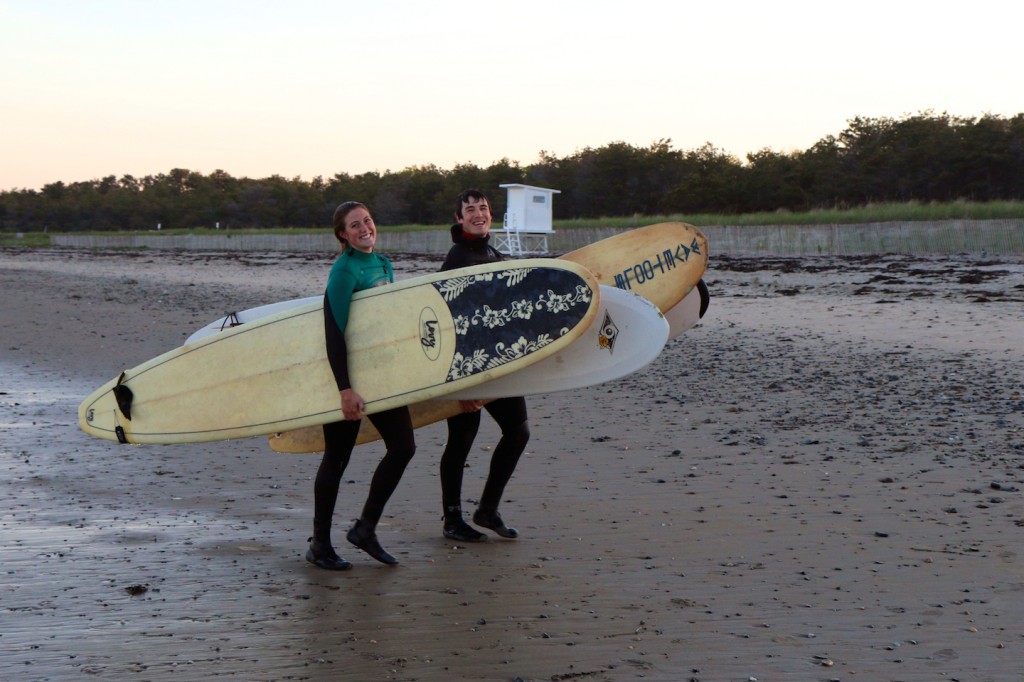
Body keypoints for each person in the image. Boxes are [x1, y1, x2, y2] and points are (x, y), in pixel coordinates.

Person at [306, 201, 417, 570]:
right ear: (343, 234)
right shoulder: (344, 271)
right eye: (355, 225)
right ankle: (320, 545)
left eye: (367, 220)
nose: (364, 228)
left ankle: (365, 529)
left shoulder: (382, 263)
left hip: (380, 376)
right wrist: (344, 389)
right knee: (337, 458)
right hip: (347, 379)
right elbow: (333, 332)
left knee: (403, 447)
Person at [438, 189, 529, 543]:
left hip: (499, 363)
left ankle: (487, 509)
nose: (478, 214)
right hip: (466, 366)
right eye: (470, 210)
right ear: (459, 218)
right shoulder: (458, 258)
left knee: (518, 431)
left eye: (484, 209)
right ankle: (452, 519)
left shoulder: (493, 252)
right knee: (461, 440)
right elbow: (451, 322)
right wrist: (464, 384)